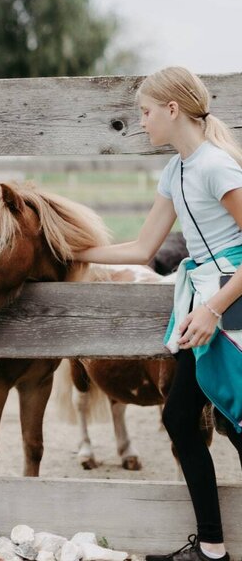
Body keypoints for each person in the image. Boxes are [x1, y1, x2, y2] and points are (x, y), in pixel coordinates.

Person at [74, 67, 242, 561]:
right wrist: (74, 253)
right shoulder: (176, 171)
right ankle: (211, 548)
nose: (141, 122)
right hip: (203, 304)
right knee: (181, 417)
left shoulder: (218, 167)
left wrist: (212, 309)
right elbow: (144, 246)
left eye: (145, 112)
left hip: (230, 304)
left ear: (172, 110)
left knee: (233, 422)